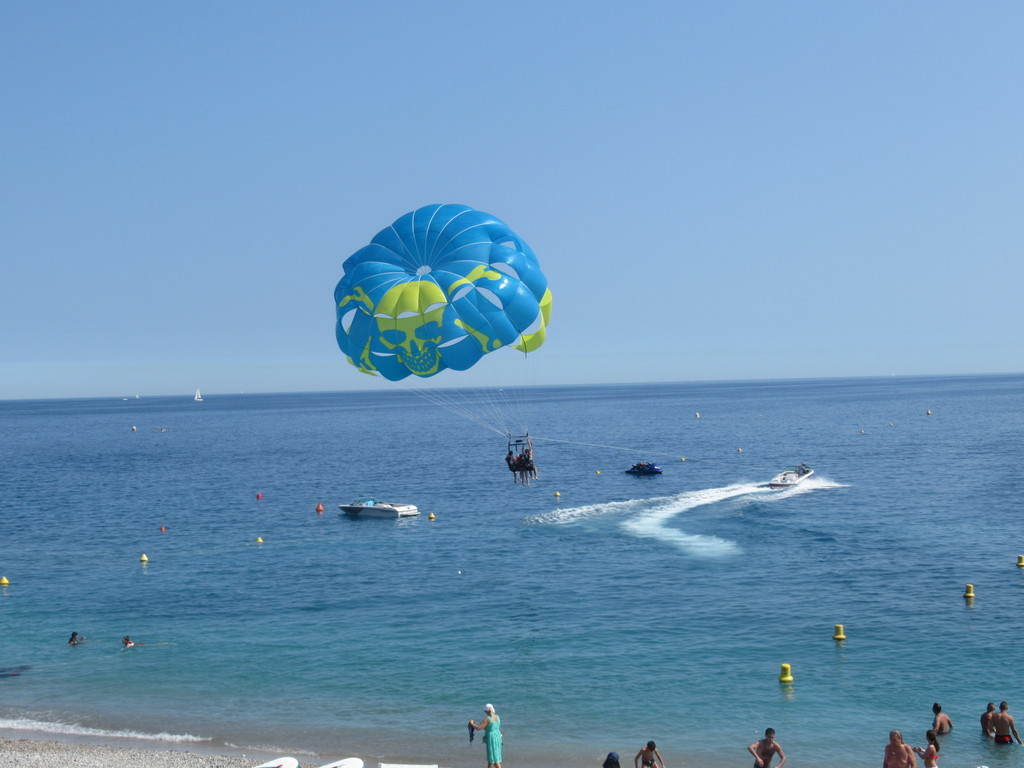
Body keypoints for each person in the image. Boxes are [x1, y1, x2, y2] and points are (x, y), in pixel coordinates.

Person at [468, 703, 501, 768]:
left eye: (485, 710)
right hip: (497, 737)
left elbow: (479, 728)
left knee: (494, 759)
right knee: (493, 757)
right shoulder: (497, 717)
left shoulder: (487, 719)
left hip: (491, 738)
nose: (484, 711)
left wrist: (471, 723)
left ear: (487, 711)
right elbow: (492, 726)